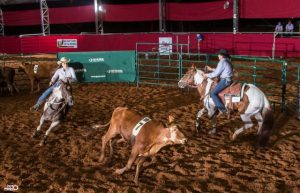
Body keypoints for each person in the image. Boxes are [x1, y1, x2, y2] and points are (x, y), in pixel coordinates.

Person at [204, 49, 234, 115]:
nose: (218, 56)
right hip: (229, 79)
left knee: (213, 93)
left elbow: (216, 74)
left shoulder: (222, 62)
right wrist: (211, 69)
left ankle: (223, 109)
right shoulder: (227, 61)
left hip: (225, 80)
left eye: (219, 55)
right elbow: (221, 70)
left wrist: (206, 75)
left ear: (222, 56)